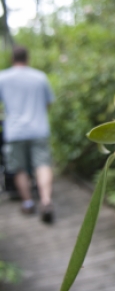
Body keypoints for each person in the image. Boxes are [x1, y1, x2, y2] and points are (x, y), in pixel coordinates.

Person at [0, 46, 55, 223]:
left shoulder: (3, 78)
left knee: (19, 168)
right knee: (43, 164)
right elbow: (49, 103)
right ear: (27, 58)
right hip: (39, 128)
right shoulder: (40, 77)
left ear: (12, 59)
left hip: (15, 131)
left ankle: (29, 203)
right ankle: (46, 201)